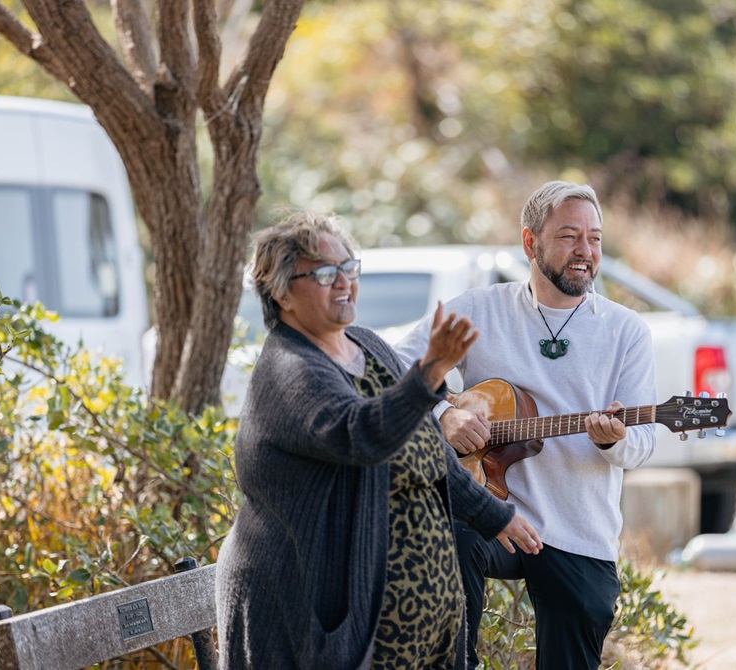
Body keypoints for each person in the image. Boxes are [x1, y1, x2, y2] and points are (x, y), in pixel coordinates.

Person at [215, 211, 542, 670]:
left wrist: (493, 515)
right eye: (326, 273)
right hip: (313, 622)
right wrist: (428, 373)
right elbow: (361, 436)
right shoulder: (289, 371)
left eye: (351, 268)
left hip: (415, 638)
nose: (344, 283)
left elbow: (427, 446)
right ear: (282, 291)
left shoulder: (367, 345)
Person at [395, 181, 657, 669]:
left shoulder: (626, 331)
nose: (585, 251)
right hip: (490, 512)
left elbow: (644, 442)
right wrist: (444, 414)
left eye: (595, 239)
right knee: (450, 535)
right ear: (530, 243)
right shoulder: (479, 310)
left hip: (577, 528)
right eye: (569, 236)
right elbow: (391, 364)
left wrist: (615, 442)